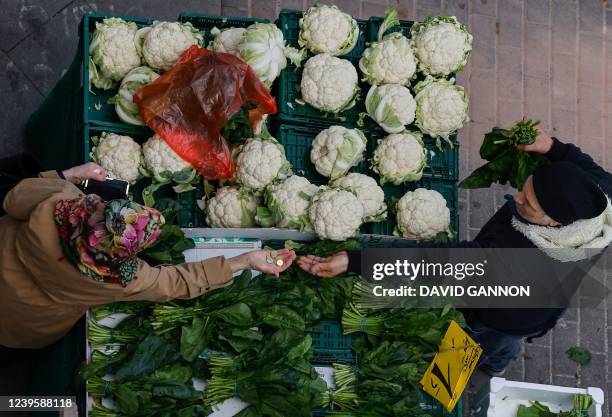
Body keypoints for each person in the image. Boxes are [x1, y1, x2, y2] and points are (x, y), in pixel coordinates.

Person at [298, 130, 612, 375]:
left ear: (555, 222)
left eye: (528, 203)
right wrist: (552, 147)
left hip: (503, 313)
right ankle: (501, 356)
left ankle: (478, 373)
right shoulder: (600, 200)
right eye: (524, 188)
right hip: (544, 300)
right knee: (511, 338)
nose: (516, 198)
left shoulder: (517, 261)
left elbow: (435, 263)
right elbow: (586, 168)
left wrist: (355, 261)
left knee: (472, 345)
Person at [0, 163, 295, 349]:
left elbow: (13, 199)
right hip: (23, 321)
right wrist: (244, 261)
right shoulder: (118, 281)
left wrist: (71, 175)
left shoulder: (58, 202)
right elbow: (178, 282)